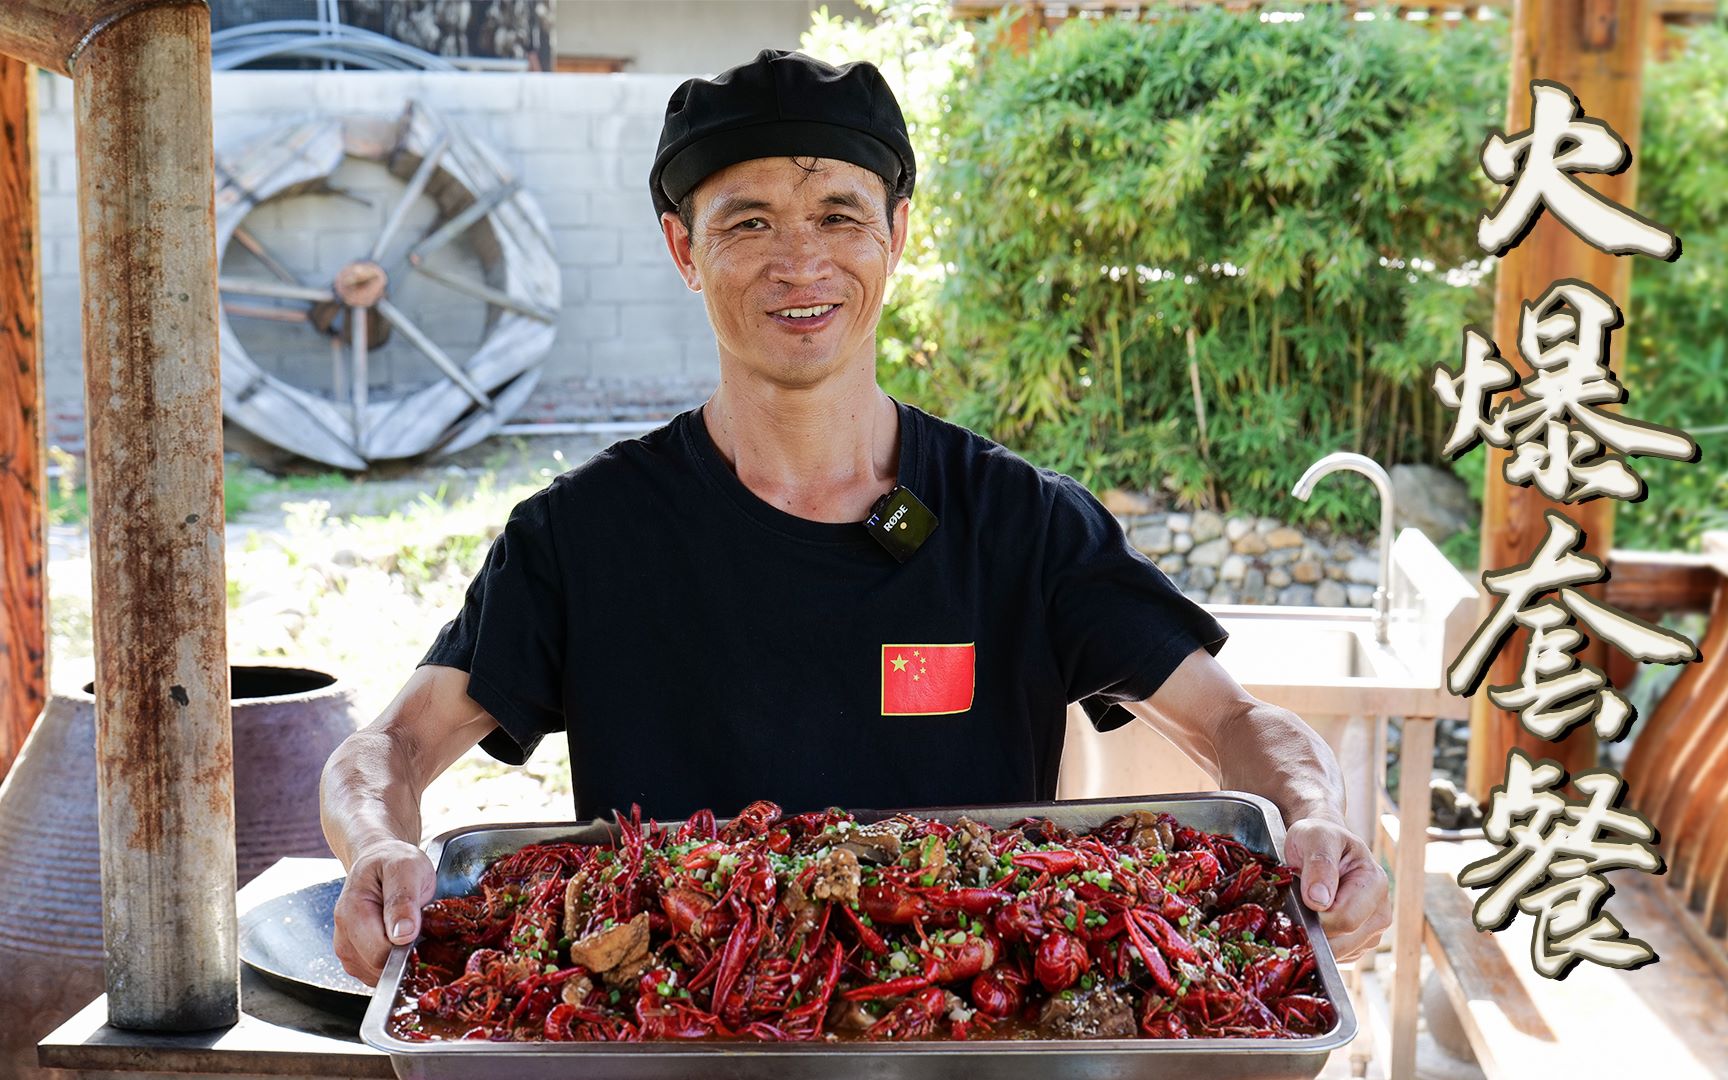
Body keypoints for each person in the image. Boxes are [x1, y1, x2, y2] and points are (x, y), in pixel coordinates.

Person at [322, 48, 1392, 987]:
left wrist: (1319, 821)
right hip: (676, 1044)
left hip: (972, 1031)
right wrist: (376, 847)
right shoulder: (582, 538)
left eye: (840, 214)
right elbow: (390, 751)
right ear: (684, 250)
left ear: (897, 236)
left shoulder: (1019, 523)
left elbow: (1240, 724)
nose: (802, 262)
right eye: (749, 223)